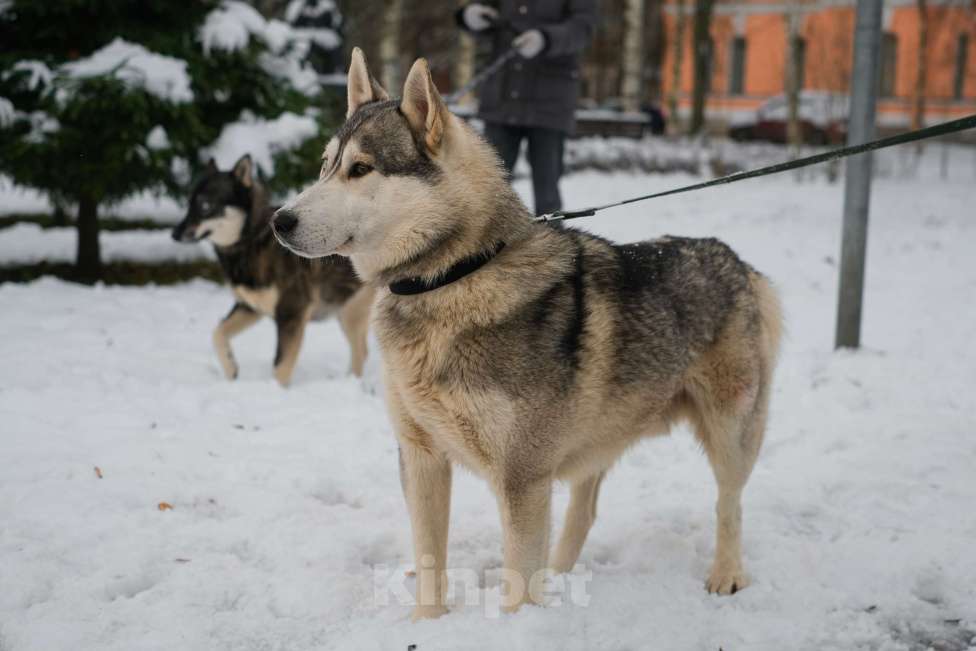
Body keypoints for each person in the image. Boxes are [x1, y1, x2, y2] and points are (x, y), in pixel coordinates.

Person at [456, 1, 597, 216]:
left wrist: (546, 38)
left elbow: (582, 28)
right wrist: (470, 16)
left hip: (550, 103)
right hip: (502, 100)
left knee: (547, 195)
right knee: (487, 189)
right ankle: (483, 247)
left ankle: (552, 248)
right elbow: (486, 10)